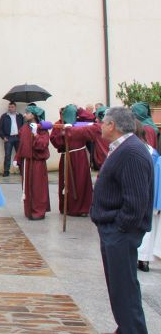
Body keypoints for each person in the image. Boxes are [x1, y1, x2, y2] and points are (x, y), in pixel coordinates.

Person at [91, 106, 153, 334]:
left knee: (124, 290)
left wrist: (118, 229)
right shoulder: (123, 147)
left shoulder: (132, 152)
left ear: (112, 126)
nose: (100, 126)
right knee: (119, 290)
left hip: (120, 233)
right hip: (114, 230)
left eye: (103, 122)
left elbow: (136, 202)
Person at [50, 105, 94, 216]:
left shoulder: (80, 122)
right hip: (67, 156)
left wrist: (80, 110)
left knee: (82, 181)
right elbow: (55, 141)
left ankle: (83, 208)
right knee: (67, 182)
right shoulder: (59, 123)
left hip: (81, 156)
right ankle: (68, 208)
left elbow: (91, 118)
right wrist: (62, 134)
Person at [15, 105, 51, 220]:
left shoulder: (42, 129)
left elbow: (43, 145)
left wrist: (36, 134)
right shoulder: (24, 128)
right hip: (27, 162)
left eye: (27, 113)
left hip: (37, 163)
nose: (24, 115)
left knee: (38, 187)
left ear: (33, 115)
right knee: (27, 187)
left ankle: (38, 211)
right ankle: (29, 210)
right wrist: (17, 157)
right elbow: (22, 144)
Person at [137, 120, 161, 273]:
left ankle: (143, 259)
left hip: (149, 197)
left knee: (149, 231)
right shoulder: (154, 155)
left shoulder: (155, 156)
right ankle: (143, 258)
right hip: (151, 197)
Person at [0, 101, 24, 177]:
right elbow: (0, 128)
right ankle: (6, 171)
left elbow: (23, 127)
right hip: (8, 138)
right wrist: (3, 137)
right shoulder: (4, 116)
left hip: (18, 137)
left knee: (20, 154)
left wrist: (22, 137)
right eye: (9, 107)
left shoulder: (20, 116)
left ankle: (22, 170)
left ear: (15, 107)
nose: (10, 108)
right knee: (7, 155)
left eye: (12, 107)